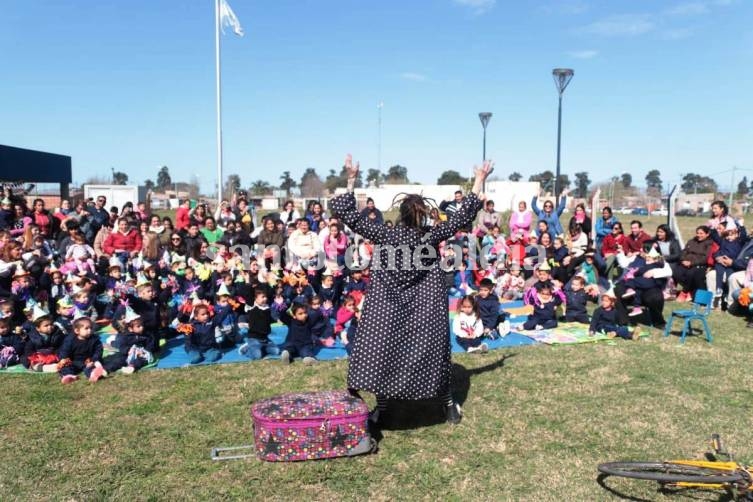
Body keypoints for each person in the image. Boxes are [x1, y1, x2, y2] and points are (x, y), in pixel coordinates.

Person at [329, 154, 492, 425]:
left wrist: (351, 180)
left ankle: (383, 408)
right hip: (424, 305)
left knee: (381, 350)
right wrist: (478, 181)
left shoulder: (385, 233)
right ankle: (448, 405)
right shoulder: (430, 235)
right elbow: (463, 215)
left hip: (388, 305)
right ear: (423, 216)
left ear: (401, 214)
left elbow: (349, 216)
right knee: (433, 353)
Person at [57, 316, 107, 384]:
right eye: (86, 328)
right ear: (77, 331)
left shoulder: (94, 339)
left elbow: (98, 351)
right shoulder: (70, 340)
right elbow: (64, 350)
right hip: (73, 361)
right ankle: (69, 376)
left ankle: (94, 374)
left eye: (91, 328)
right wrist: (63, 358)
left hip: (88, 361)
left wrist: (93, 359)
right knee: (66, 367)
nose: (89, 330)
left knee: (91, 367)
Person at [673, 226, 713, 302]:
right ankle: (689, 291)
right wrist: (683, 260)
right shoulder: (691, 241)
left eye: (701, 233)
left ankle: (684, 292)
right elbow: (684, 252)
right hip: (686, 262)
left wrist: (692, 263)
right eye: (697, 233)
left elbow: (705, 258)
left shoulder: (709, 244)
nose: (699, 235)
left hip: (699, 265)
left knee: (690, 273)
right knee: (676, 272)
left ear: (707, 234)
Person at [238, 289, 280, 360]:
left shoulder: (268, 309)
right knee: (257, 356)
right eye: (262, 297)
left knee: (277, 351)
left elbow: (272, 319)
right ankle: (247, 347)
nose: (265, 299)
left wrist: (278, 308)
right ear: (256, 299)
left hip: (265, 340)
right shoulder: (253, 308)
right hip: (254, 339)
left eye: (265, 297)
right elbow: (247, 293)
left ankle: (262, 349)